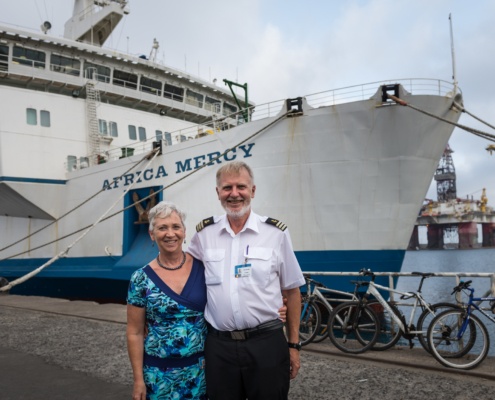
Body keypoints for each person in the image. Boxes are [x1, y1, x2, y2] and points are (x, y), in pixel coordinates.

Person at [187, 161, 305, 400]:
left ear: (252, 190)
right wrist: (153, 314)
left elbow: (292, 291)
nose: (234, 194)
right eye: (227, 188)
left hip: (267, 343)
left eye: (241, 186)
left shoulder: (275, 233)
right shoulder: (204, 234)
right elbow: (182, 278)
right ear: (218, 193)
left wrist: (293, 345)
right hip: (219, 346)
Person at [126, 201, 208, 400]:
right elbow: (135, 332)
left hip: (201, 373)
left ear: (184, 231)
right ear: (152, 235)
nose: (170, 234)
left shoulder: (204, 268)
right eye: (162, 228)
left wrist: (275, 309)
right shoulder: (140, 278)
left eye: (175, 227)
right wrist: (138, 380)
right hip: (158, 376)